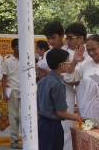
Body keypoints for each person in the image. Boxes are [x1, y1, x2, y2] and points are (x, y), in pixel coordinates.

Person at [37, 48, 82, 150]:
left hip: (42, 123)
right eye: (68, 62)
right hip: (52, 125)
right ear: (62, 65)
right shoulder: (58, 84)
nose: (69, 65)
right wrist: (79, 118)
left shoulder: (43, 81)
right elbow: (60, 112)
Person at [41, 21, 76, 150]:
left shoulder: (71, 54)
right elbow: (42, 77)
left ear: (62, 35)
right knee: (51, 132)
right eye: (48, 38)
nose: (50, 41)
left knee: (66, 130)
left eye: (53, 37)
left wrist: (56, 74)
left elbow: (76, 78)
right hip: (49, 95)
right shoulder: (47, 54)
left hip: (66, 93)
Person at [64, 22, 91, 115]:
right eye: (67, 38)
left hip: (96, 102)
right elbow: (69, 77)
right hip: (81, 99)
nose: (68, 41)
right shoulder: (72, 54)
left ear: (81, 38)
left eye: (70, 38)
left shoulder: (91, 55)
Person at [1, 39, 22, 149]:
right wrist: (4, 93)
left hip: (25, 92)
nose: (21, 48)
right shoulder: (8, 62)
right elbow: (4, 79)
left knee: (23, 116)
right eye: (18, 46)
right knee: (14, 117)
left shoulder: (26, 60)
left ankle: (27, 139)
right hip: (12, 91)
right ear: (13, 48)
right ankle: (14, 141)